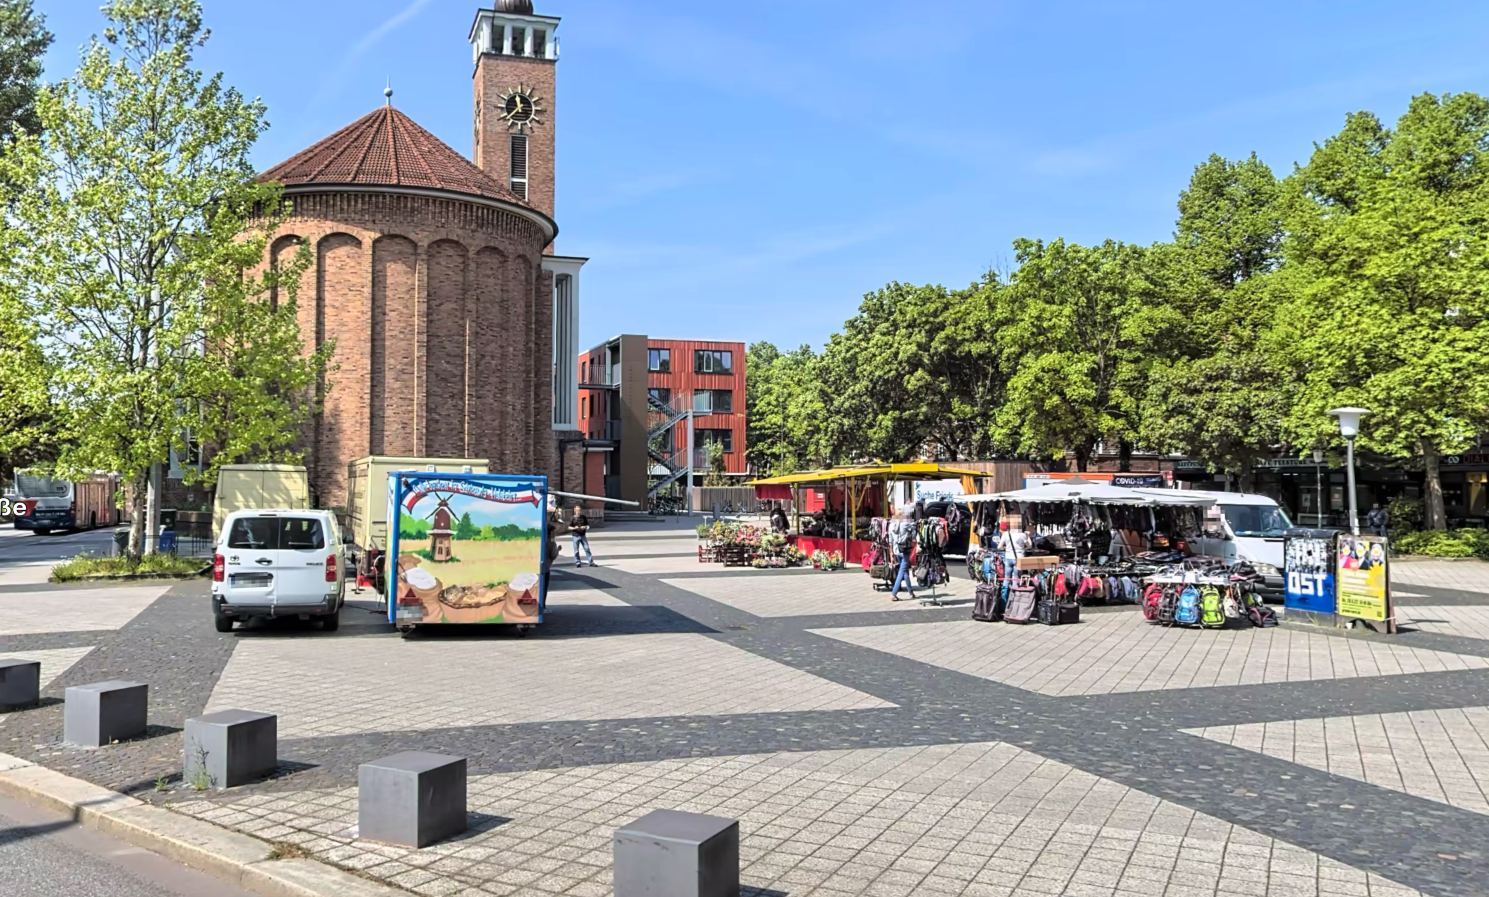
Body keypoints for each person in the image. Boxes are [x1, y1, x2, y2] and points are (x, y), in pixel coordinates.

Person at [888, 509, 917, 600]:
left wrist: (891, 553)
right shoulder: (906, 524)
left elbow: (890, 541)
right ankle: (894, 593)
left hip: (896, 551)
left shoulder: (891, 525)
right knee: (902, 572)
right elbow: (914, 529)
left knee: (904, 571)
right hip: (904, 551)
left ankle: (910, 592)